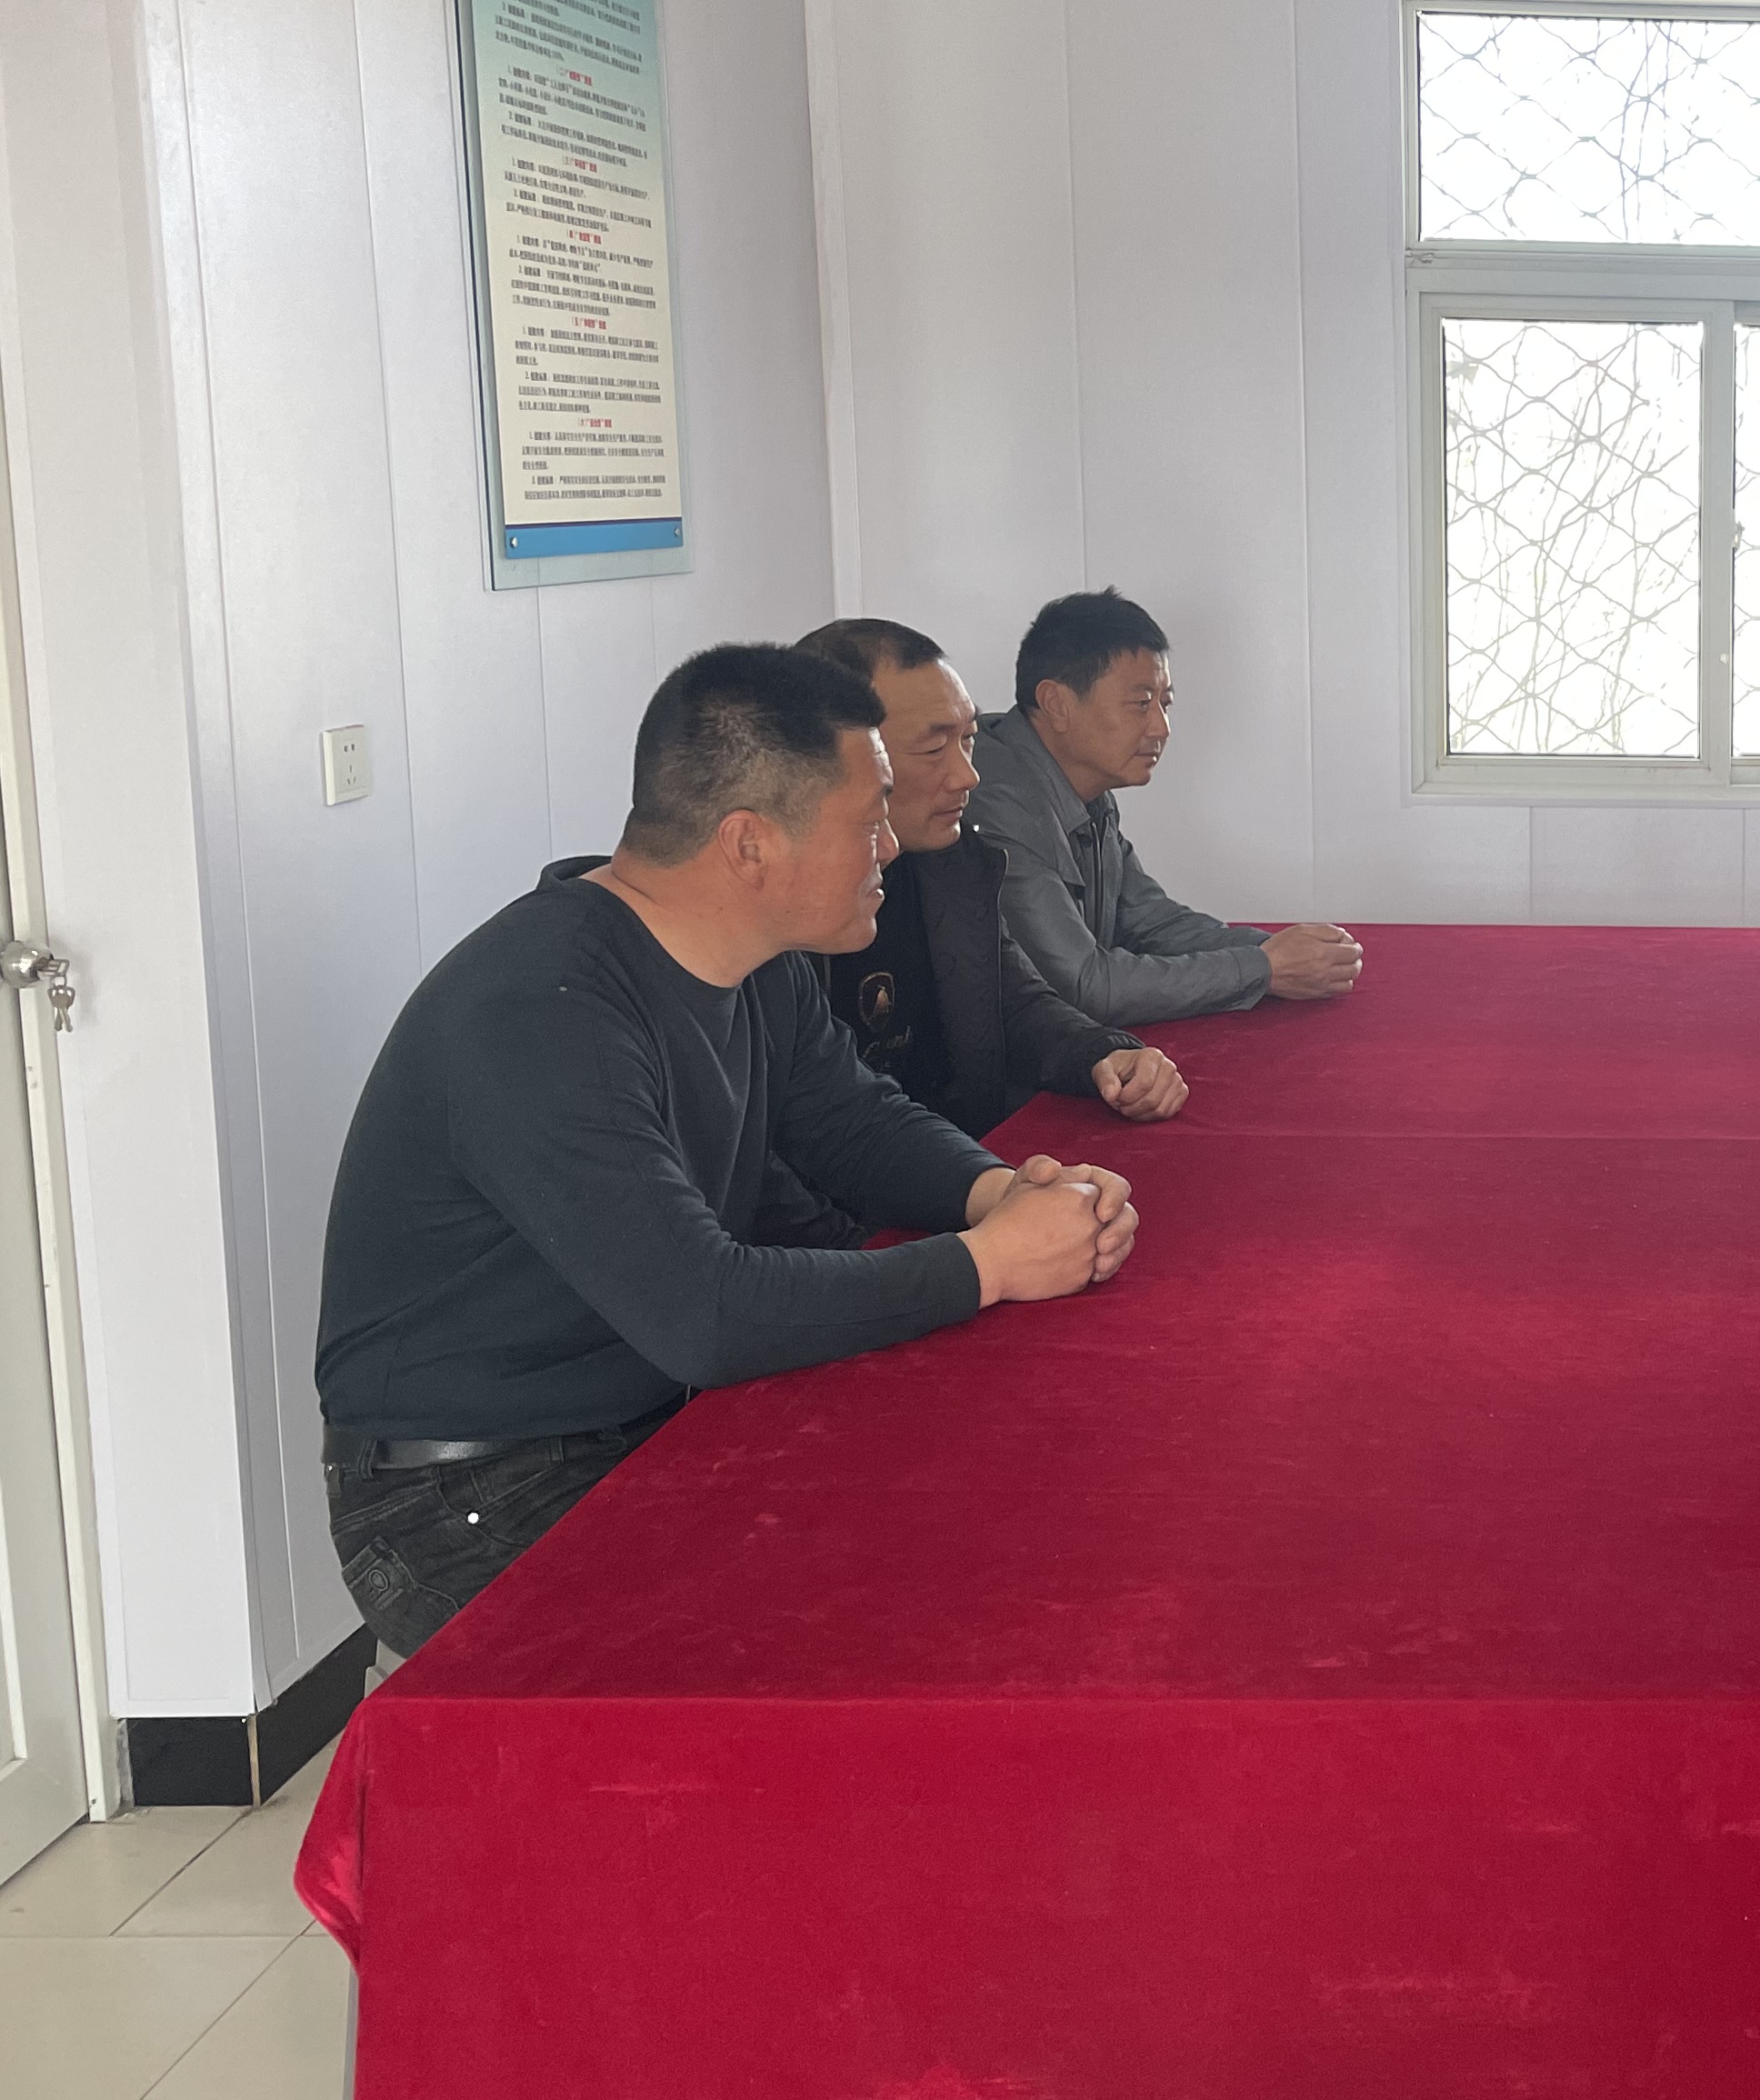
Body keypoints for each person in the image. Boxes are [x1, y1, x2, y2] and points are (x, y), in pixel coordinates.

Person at [315, 645, 1141, 1657]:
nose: (889, 848)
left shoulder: (754, 963)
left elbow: (854, 1122)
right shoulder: (538, 1010)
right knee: (850, 1640)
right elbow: (704, 1312)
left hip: (644, 1415)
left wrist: (1001, 1192)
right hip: (466, 1492)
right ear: (748, 843)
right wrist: (992, 1262)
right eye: (867, 820)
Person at [795, 616, 1189, 1138]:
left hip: (949, 1153)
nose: (968, 776)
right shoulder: (780, 912)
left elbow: (1016, 1003)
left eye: (969, 740)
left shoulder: (955, 859)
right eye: (933, 749)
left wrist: (1105, 1055)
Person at [968, 588, 1362, 1025]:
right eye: (1141, 704)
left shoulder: (1085, 786)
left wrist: (1280, 951)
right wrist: (1264, 968)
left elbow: (1150, 922)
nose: (1162, 727)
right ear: (1057, 704)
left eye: (1165, 703)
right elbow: (1084, 986)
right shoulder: (996, 800)